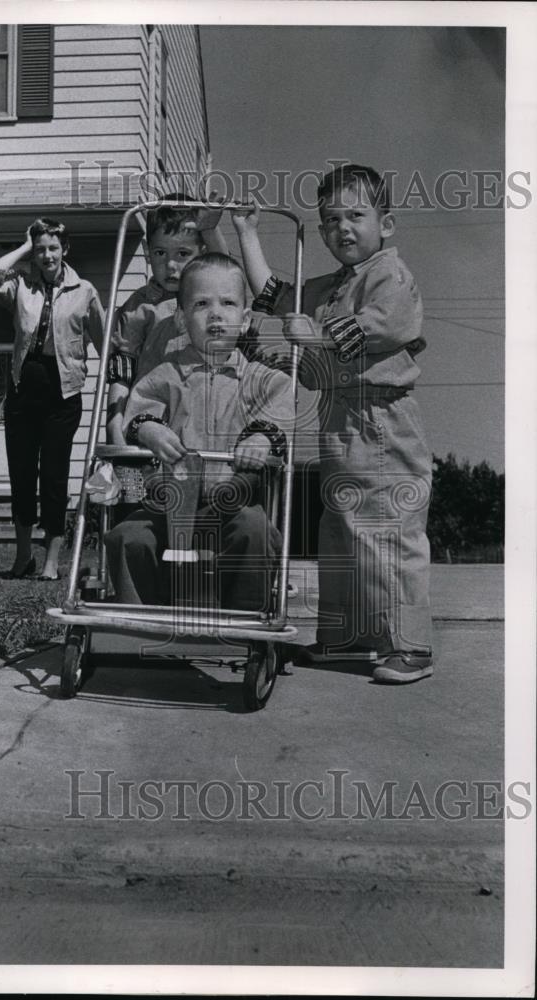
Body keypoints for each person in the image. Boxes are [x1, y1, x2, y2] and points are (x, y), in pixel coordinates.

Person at [232, 164, 434, 684]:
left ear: (385, 223)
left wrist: (315, 335)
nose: (343, 227)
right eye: (330, 219)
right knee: (341, 530)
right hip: (339, 416)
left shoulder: (390, 273)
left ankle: (410, 645)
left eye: (356, 215)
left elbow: (384, 326)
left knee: (387, 527)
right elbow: (276, 297)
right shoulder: (334, 284)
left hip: (381, 416)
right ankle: (349, 638)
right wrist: (246, 232)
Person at [105, 253, 293, 611]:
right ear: (181, 318)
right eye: (201, 304)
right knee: (127, 537)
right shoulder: (165, 375)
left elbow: (279, 411)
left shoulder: (262, 379)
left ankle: (246, 613)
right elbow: (139, 410)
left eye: (228, 303)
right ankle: (139, 612)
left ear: (245, 318)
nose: (216, 314)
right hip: (169, 502)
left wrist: (261, 437)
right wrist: (148, 431)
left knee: (258, 532)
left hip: (233, 501)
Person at [0, 218, 104, 580]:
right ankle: (23, 557)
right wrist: (24, 246)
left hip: (62, 393)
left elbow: (105, 342)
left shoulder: (85, 291)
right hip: (23, 390)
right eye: (40, 249)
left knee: (53, 477)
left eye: (53, 247)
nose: (46, 255)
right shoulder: (20, 284)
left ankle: (51, 562)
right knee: (22, 476)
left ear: (65, 249)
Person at [106, 197, 226, 444]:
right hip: (149, 423)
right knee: (138, 481)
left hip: (201, 421)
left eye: (183, 253)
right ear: (147, 252)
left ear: (202, 253)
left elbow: (224, 269)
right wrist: (114, 427)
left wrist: (210, 230)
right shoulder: (139, 306)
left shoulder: (209, 299)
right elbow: (122, 374)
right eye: (160, 252)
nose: (170, 265)